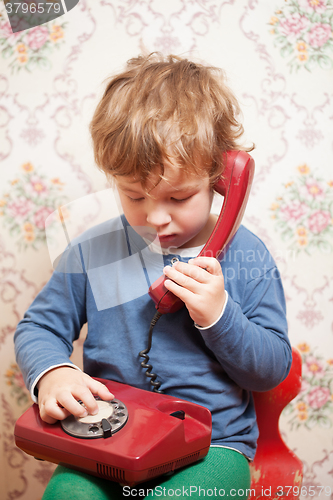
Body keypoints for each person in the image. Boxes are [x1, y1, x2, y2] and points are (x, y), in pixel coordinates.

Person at [14, 53, 292, 500]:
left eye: (179, 196)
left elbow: (271, 369)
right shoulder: (92, 250)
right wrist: (53, 374)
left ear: (221, 179)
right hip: (109, 439)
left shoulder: (246, 255)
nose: (156, 217)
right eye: (135, 195)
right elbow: (39, 327)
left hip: (213, 445)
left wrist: (219, 314)